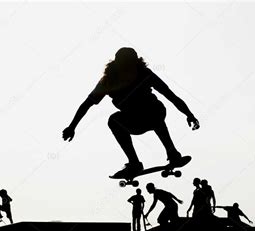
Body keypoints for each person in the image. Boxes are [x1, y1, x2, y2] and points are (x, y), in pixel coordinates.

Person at [62, 47, 200, 178]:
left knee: (151, 109)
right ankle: (134, 163)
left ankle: (172, 152)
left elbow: (170, 95)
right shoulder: (108, 81)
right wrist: (72, 126)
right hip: (133, 120)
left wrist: (189, 114)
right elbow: (87, 104)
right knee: (114, 120)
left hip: (152, 112)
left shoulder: (145, 74)